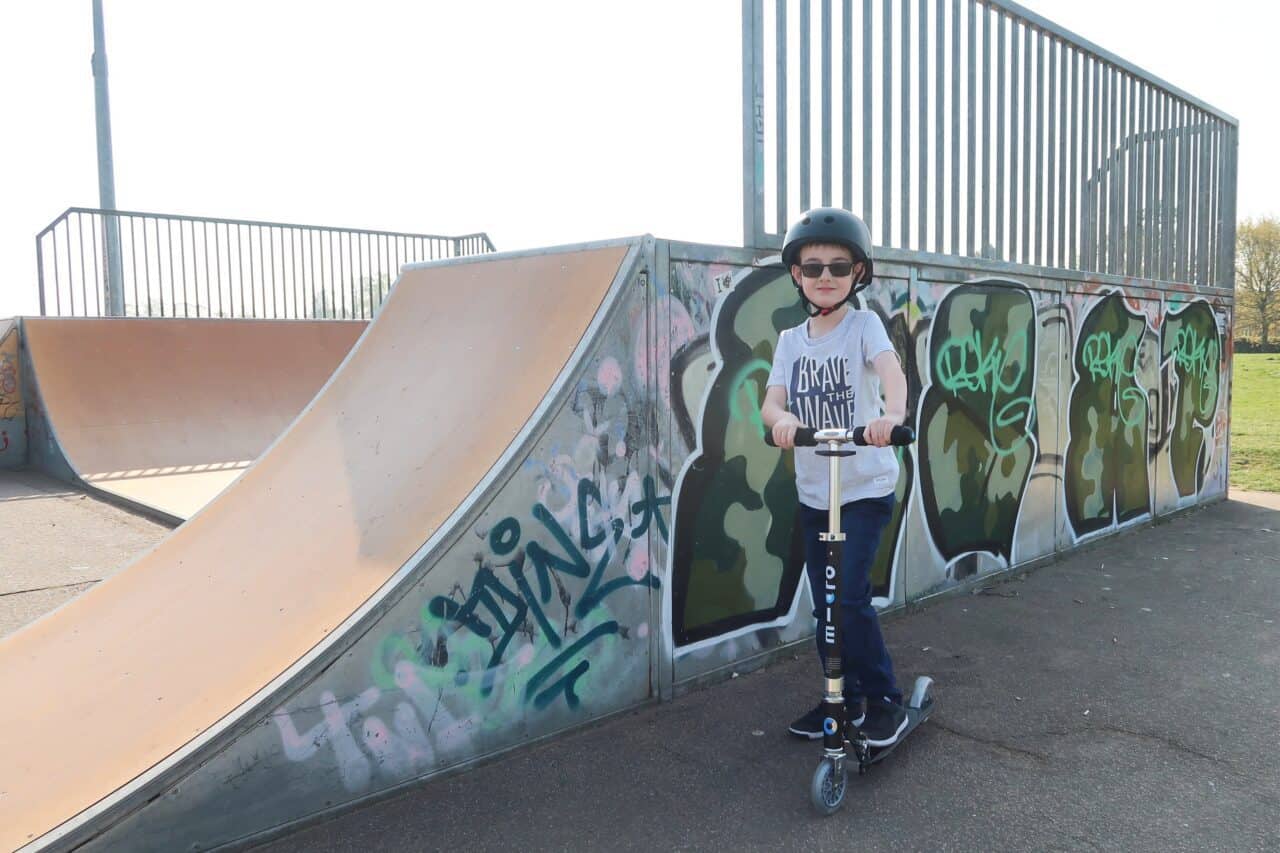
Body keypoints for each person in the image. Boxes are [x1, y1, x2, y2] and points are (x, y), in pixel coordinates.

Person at [761, 207, 909, 748]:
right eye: (814, 266)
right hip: (814, 492)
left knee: (847, 598)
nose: (826, 276)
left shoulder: (864, 326)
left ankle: (885, 700)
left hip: (863, 489)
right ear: (797, 274)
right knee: (824, 603)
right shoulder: (789, 341)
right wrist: (782, 423)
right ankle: (837, 697)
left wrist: (890, 420)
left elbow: (893, 376)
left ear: (859, 274)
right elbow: (771, 403)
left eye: (839, 266)